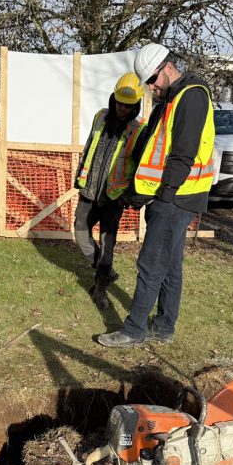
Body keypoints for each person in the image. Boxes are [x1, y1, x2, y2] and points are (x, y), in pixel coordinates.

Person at [98, 43, 215, 347]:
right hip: (173, 196)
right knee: (170, 265)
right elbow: (152, 146)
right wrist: (137, 194)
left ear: (168, 67)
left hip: (176, 198)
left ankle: (134, 329)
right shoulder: (172, 98)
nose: (150, 87)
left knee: (151, 264)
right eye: (147, 83)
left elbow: (182, 155)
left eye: (152, 80)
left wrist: (163, 196)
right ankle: (163, 327)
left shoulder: (191, 97)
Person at [74, 73, 145, 310]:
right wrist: (79, 177)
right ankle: (107, 271)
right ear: (113, 98)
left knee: (107, 244)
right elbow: (88, 146)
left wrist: (128, 195)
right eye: (119, 103)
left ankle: (101, 288)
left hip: (114, 196)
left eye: (128, 105)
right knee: (80, 231)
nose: (122, 109)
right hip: (90, 189)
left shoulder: (138, 131)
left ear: (135, 105)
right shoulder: (100, 116)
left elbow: (140, 167)